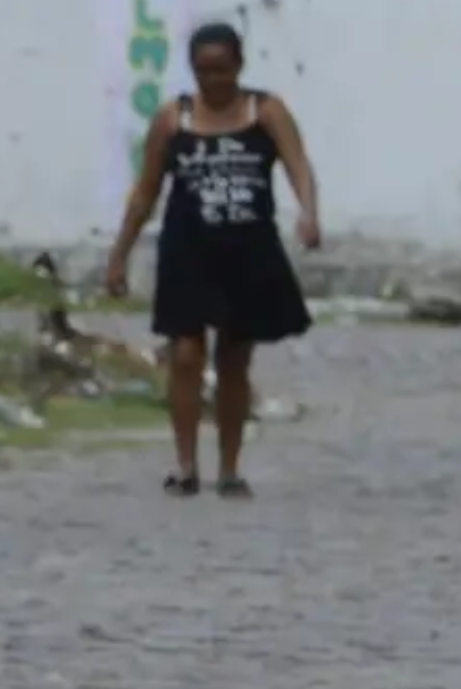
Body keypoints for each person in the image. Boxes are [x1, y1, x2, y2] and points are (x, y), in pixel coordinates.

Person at [105, 20, 320, 498]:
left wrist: (308, 213)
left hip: (248, 251)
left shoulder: (265, 111)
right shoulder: (172, 119)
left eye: (222, 70)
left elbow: (298, 165)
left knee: (234, 359)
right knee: (184, 355)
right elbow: (145, 193)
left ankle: (229, 466)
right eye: (203, 71)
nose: (213, 81)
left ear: (239, 67)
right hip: (188, 251)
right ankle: (185, 464)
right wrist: (119, 255)